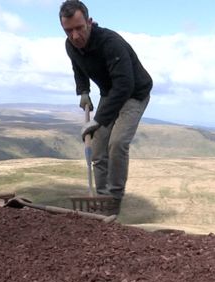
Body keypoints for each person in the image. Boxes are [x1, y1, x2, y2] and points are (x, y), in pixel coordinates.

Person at [59, 0, 152, 216]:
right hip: (110, 94)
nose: (75, 36)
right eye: (68, 30)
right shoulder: (70, 45)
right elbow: (78, 68)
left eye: (79, 28)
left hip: (134, 93)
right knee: (98, 149)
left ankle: (114, 202)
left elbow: (125, 85)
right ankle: (101, 202)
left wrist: (98, 120)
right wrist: (83, 91)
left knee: (117, 143)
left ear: (89, 22)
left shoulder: (110, 42)